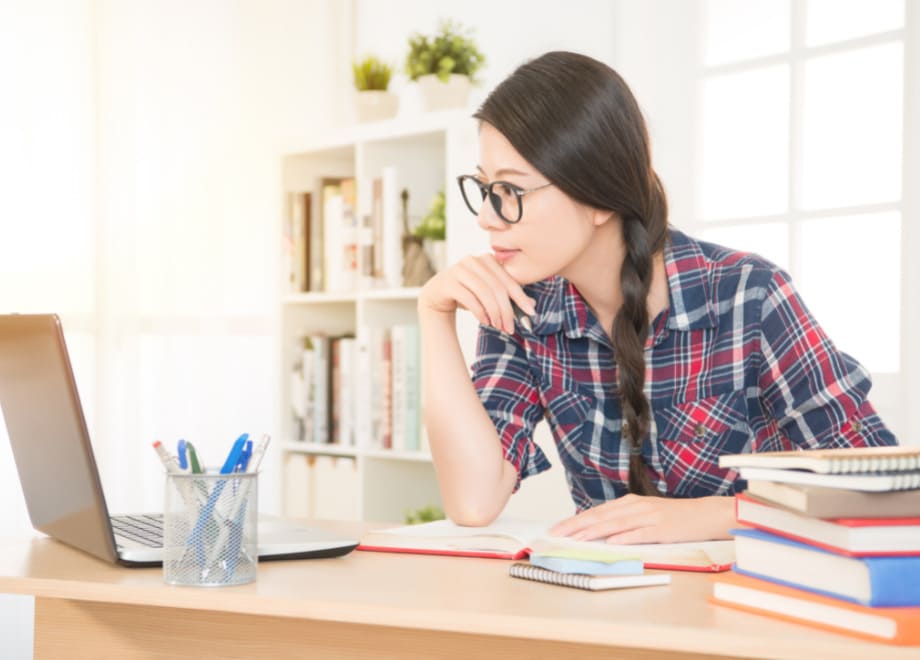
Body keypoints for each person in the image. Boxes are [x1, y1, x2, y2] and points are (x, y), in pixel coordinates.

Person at [417, 51, 897, 545]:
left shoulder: (747, 295)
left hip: (749, 601)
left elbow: (879, 488)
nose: (487, 218)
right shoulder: (522, 309)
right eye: (485, 188)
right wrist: (433, 315)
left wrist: (720, 515)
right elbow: (473, 502)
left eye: (510, 191)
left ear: (598, 196)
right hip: (607, 611)